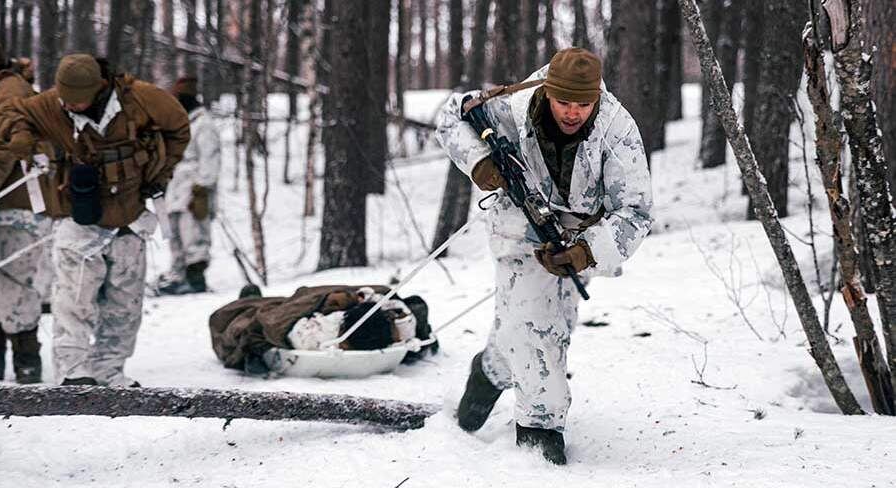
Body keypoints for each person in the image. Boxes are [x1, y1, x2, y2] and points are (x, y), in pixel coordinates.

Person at [435, 47, 653, 464]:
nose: (573, 113)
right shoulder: (512, 106)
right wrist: (480, 163)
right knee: (539, 331)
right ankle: (539, 439)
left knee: (548, 326)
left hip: (573, 243)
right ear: (548, 91)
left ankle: (491, 371)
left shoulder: (618, 128)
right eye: (564, 102)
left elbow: (636, 211)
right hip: (518, 232)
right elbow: (450, 116)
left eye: (583, 104)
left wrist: (585, 253)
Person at [0, 53, 190, 386]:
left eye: (76, 100)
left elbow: (179, 128)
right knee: (72, 301)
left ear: (99, 88)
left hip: (130, 215)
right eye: (64, 99)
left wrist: (161, 171)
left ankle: (110, 371)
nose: (69, 106)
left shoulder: (142, 99)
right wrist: (20, 134)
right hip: (77, 218)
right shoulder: (52, 103)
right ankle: (74, 374)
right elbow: (14, 111)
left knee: (125, 303)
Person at [209, 285, 434, 376]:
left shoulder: (392, 326)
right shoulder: (321, 331)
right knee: (251, 316)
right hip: (300, 313)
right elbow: (277, 324)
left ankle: (251, 298)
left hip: (338, 319)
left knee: (267, 309)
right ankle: (250, 298)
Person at [0, 42, 54, 384]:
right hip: (11, 203)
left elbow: (7, 149)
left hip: (15, 206)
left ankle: (26, 366)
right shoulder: (8, 89)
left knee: (16, 286)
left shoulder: (8, 95)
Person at [156, 76, 220, 295]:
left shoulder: (203, 124)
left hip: (193, 191)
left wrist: (202, 187)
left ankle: (195, 279)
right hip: (174, 189)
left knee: (193, 235)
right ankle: (178, 275)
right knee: (174, 235)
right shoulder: (177, 124)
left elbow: (210, 158)